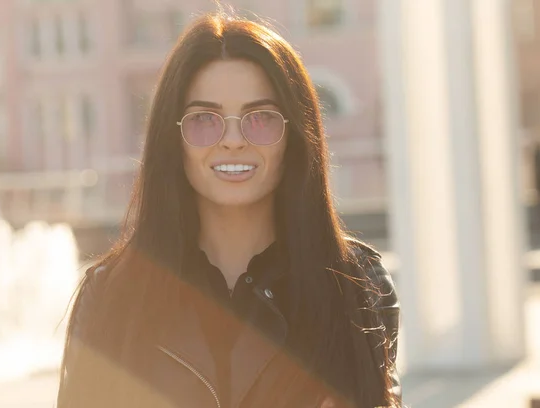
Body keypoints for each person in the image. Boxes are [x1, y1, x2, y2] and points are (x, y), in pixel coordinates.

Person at [57, 10, 401, 408]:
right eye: (205, 119)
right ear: (174, 140)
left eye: (260, 118)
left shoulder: (358, 286)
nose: (233, 140)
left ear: (294, 135)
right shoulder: (110, 294)